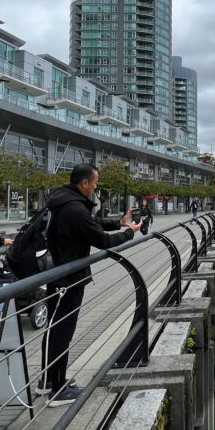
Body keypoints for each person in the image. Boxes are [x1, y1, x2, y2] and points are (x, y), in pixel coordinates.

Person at [40, 163, 141, 406]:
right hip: (69, 277)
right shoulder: (74, 208)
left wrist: (119, 222)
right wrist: (130, 233)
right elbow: (102, 240)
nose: (96, 186)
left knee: (54, 327)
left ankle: (47, 382)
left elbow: (90, 224)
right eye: (94, 182)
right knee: (62, 330)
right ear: (84, 183)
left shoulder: (63, 201)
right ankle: (57, 390)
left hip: (58, 274)